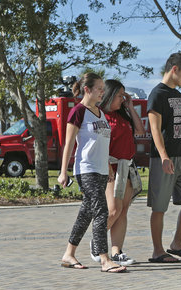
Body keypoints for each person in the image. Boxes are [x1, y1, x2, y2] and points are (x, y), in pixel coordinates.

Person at [58, 73, 126, 273]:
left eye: (103, 89)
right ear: (87, 89)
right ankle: (105, 259)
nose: (102, 93)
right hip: (86, 170)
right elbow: (69, 143)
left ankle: (68, 254)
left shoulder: (100, 113)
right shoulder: (78, 112)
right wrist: (63, 172)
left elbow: (102, 143)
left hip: (102, 170)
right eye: (99, 89)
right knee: (102, 211)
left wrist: (109, 166)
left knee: (85, 215)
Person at [147, 53, 181, 262]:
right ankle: (157, 251)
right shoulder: (157, 94)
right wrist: (164, 156)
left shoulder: (177, 95)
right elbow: (155, 129)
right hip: (164, 158)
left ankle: (176, 243)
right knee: (160, 207)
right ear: (174, 69)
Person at [89, 79, 145, 266]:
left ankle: (117, 251)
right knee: (113, 209)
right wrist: (107, 166)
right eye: (120, 96)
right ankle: (97, 240)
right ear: (110, 95)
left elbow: (140, 130)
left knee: (123, 211)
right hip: (110, 167)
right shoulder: (100, 115)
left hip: (126, 166)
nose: (122, 99)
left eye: (123, 96)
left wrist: (130, 106)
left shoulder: (122, 115)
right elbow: (97, 144)